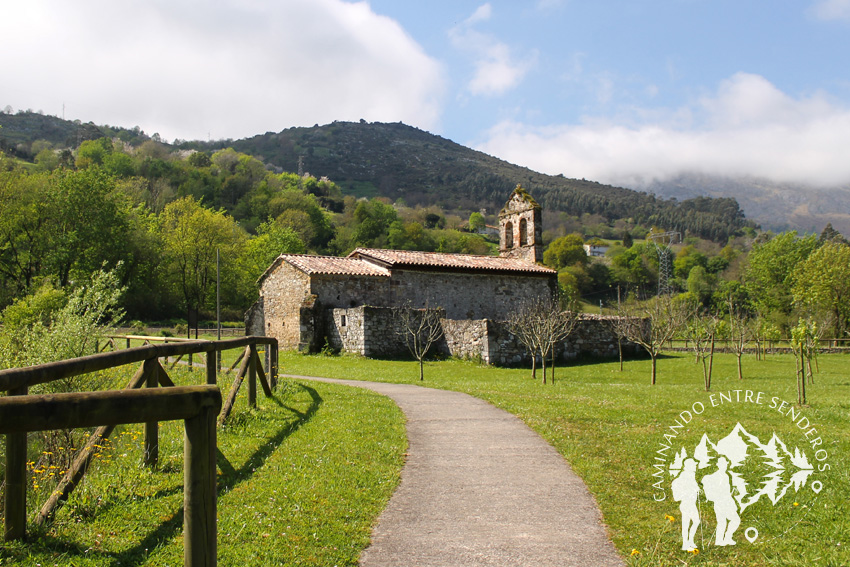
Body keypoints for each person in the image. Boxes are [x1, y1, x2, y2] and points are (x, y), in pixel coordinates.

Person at [701, 457, 740, 546]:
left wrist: (732, 492)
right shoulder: (716, 477)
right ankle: (722, 540)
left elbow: (726, 490)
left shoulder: (726, 476)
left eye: (725, 464)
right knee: (726, 521)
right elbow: (717, 490)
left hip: (726, 501)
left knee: (729, 520)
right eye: (722, 464)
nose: (724, 466)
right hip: (721, 502)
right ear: (718, 465)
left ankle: (724, 539)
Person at [671, 458, 700, 551]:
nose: (695, 466)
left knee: (695, 521)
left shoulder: (691, 475)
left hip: (691, 503)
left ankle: (690, 541)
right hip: (686, 503)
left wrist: (696, 489)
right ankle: (685, 543)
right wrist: (691, 491)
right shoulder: (684, 477)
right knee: (687, 523)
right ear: (688, 467)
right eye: (694, 465)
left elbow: (693, 487)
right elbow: (684, 491)